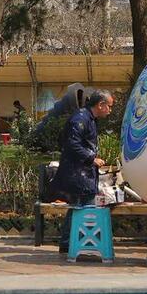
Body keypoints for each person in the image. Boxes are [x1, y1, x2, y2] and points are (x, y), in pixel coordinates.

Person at [48, 89, 114, 253]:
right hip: (77, 174)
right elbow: (72, 144)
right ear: (101, 105)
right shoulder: (80, 118)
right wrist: (91, 158)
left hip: (82, 172)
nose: (110, 110)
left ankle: (68, 242)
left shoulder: (88, 118)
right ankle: (82, 242)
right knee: (83, 208)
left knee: (77, 207)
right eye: (109, 107)